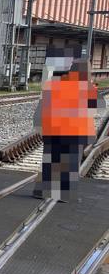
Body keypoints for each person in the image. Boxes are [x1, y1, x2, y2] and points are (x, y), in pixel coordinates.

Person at [33, 44, 99, 202]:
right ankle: (63, 194)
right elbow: (93, 111)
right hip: (75, 133)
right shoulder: (88, 88)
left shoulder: (53, 85)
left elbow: (42, 107)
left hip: (54, 131)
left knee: (51, 161)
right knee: (70, 165)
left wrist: (39, 127)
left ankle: (43, 191)